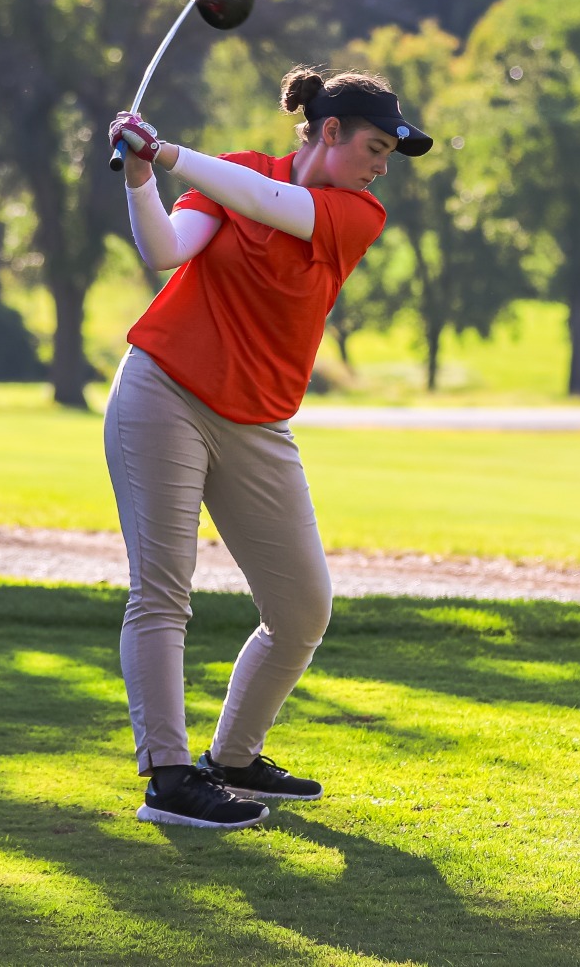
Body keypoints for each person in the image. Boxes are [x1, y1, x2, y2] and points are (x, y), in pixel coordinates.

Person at [103, 65, 433, 830]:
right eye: (376, 147)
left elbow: (270, 204)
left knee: (302, 607)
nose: (382, 166)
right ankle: (169, 775)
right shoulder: (238, 174)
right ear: (328, 132)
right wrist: (141, 177)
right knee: (163, 587)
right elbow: (164, 249)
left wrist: (170, 150)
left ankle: (234, 757)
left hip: (258, 419)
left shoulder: (355, 213)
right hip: (163, 391)